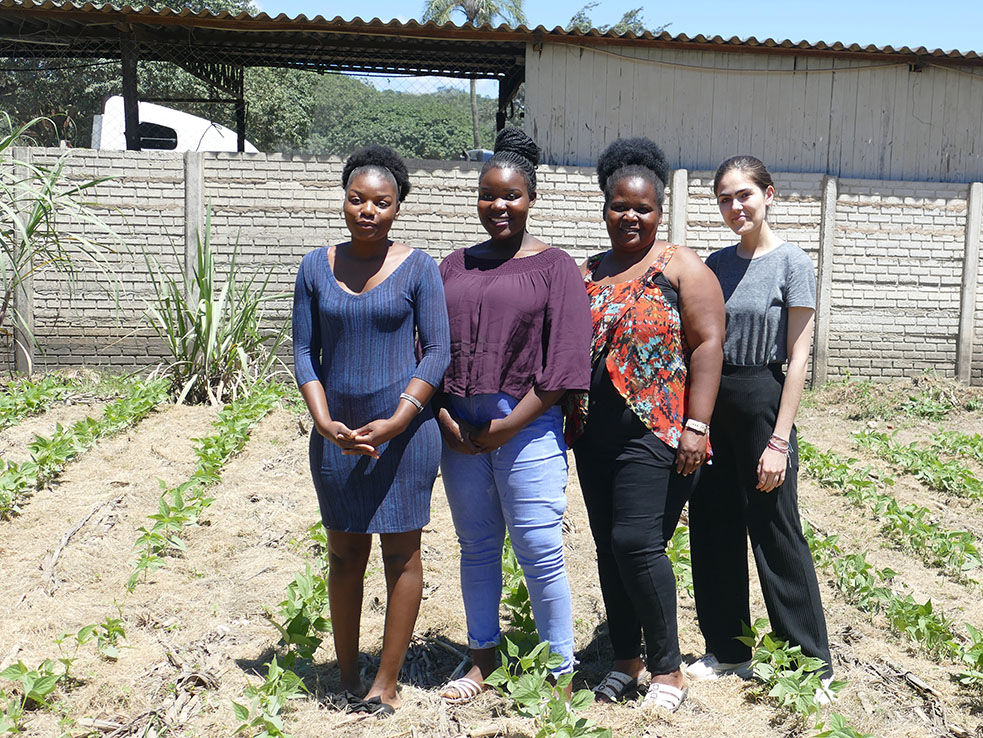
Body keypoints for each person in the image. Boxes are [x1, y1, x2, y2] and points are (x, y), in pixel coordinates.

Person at [292, 145, 450, 717]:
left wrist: (399, 419)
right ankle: (346, 674)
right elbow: (304, 352)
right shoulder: (315, 267)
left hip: (403, 438)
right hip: (336, 436)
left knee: (402, 554)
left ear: (398, 207)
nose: (367, 211)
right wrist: (323, 421)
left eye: (381, 202)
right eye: (357, 199)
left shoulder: (420, 268)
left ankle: (386, 682)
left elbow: (437, 352)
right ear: (343, 201)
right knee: (343, 554)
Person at [435, 127, 592, 704]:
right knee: (476, 547)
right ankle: (481, 659)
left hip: (526, 425)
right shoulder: (453, 266)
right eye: (487, 195)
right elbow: (430, 348)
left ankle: (559, 673)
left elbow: (567, 362)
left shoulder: (555, 267)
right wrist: (444, 417)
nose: (498, 206)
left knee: (539, 549)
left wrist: (506, 426)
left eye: (511, 196)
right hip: (458, 428)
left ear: (532, 199)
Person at [568, 138, 725, 713]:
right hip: (594, 435)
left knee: (636, 542)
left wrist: (697, 426)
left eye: (643, 208)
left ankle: (667, 669)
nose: (630, 216)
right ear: (604, 208)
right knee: (610, 548)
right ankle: (624, 659)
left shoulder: (682, 267)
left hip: (657, 433)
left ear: (660, 212)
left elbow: (708, 345)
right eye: (620, 206)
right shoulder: (587, 272)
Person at [687, 155, 833, 693]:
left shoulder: (793, 262)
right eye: (724, 199)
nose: (735, 207)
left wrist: (778, 442)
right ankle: (728, 651)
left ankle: (811, 663)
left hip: (763, 401)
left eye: (744, 194)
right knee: (712, 526)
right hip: (713, 400)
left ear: (768, 195)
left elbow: (798, 357)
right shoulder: (714, 264)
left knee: (776, 531)